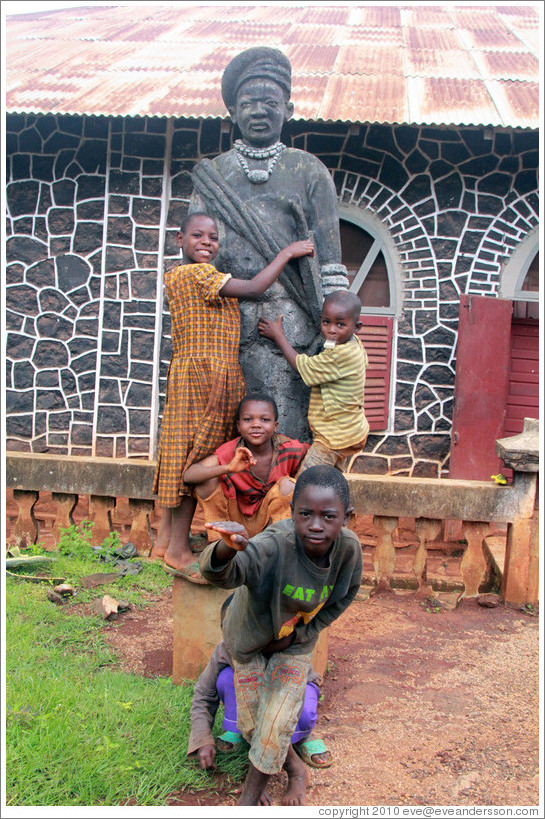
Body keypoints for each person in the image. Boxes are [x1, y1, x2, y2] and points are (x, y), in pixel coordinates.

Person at [190, 46, 349, 442]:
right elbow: (195, 257)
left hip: (292, 318)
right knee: (223, 419)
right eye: (248, 103)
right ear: (232, 113)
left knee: (289, 418)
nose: (258, 112)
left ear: (289, 109)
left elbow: (331, 262)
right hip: (225, 318)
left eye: (269, 103)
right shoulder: (215, 175)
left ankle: (286, 498)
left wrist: (332, 329)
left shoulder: (309, 170)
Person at [151, 211, 314, 578]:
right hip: (204, 378)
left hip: (197, 374)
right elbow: (256, 287)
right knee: (195, 458)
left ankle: (163, 541)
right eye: (197, 236)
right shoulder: (197, 273)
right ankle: (176, 549)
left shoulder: (183, 277)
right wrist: (286, 253)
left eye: (213, 238)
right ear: (180, 240)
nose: (206, 243)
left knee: (179, 453)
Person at [199, 465, 363, 806]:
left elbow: (346, 594)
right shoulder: (274, 544)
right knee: (253, 722)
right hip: (247, 643)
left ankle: (249, 799)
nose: (315, 525)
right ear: (292, 512)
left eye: (328, 516)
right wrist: (227, 548)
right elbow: (224, 574)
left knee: (277, 718)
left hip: (293, 646)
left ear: (346, 517)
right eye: (305, 514)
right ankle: (295, 768)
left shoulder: (349, 550)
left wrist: (304, 632)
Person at [187, 597, 332, 782]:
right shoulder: (225, 650)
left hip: (291, 695)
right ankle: (242, 731)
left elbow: (282, 702)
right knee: (225, 679)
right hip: (254, 701)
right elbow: (203, 694)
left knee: (300, 711)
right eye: (229, 629)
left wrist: (260, 776)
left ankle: (301, 737)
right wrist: (203, 739)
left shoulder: (283, 645)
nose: (235, 637)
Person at [258, 289, 369, 473]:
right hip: (350, 430)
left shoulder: (342, 354)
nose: (331, 330)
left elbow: (304, 367)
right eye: (326, 322)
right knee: (331, 482)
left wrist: (278, 335)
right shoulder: (352, 342)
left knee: (307, 481)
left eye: (340, 325)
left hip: (334, 437)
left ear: (357, 327)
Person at [183, 393, 309, 551]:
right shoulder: (232, 451)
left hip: (269, 521)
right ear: (238, 425)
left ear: (276, 426)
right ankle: (218, 544)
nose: (256, 425)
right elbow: (189, 475)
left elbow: (314, 460)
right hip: (234, 522)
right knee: (207, 479)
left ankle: (277, 545)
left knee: (288, 485)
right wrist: (228, 468)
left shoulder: (289, 448)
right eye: (248, 419)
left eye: (265, 419)